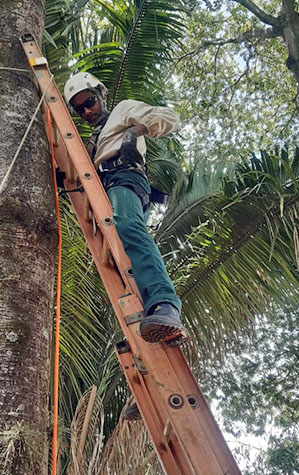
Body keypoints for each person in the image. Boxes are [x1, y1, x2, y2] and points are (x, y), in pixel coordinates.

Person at [63, 72, 186, 344]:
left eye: (90, 101)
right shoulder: (92, 142)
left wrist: (137, 130)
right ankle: (157, 321)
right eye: (79, 108)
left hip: (124, 178)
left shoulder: (123, 110)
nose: (87, 110)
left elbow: (169, 118)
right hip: (103, 192)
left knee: (129, 225)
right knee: (122, 262)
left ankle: (165, 303)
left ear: (102, 95)